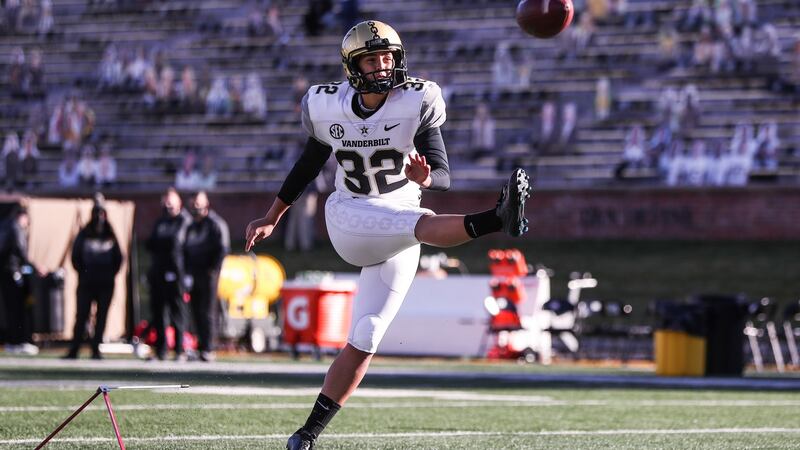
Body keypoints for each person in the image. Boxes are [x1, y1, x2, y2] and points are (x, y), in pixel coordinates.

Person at [242, 21, 531, 450]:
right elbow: (306, 167)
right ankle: (496, 219)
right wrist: (273, 215)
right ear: (352, 66)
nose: (382, 65)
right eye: (372, 58)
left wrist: (426, 176)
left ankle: (307, 434)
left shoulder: (416, 101)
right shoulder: (329, 107)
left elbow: (444, 175)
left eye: (387, 56)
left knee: (368, 335)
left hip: (399, 215)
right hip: (350, 217)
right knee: (419, 224)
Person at [64, 193, 123, 359]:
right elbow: (75, 256)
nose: (99, 217)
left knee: (101, 317)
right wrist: (84, 273)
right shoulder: (84, 234)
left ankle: (95, 349)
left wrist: (108, 274)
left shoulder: (110, 234)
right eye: (96, 212)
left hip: (105, 283)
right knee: (81, 315)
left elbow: (119, 259)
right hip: (87, 283)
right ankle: (75, 349)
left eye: (101, 213)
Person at [180, 191, 229, 362]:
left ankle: (209, 347)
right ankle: (200, 345)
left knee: (207, 311)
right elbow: (185, 249)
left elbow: (223, 249)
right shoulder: (191, 226)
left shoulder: (215, 224)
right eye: (193, 204)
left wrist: (213, 269)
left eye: (198, 204)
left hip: (209, 274)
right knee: (195, 310)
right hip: (193, 273)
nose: (195, 208)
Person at [146, 187, 190, 361]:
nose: (168, 206)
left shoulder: (184, 221)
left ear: (179, 202)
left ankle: (180, 350)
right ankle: (161, 350)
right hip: (159, 272)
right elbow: (151, 243)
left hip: (177, 273)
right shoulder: (161, 221)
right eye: (166, 202)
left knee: (177, 312)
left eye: (171, 202)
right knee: (159, 313)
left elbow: (176, 243)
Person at [0, 204, 41, 355]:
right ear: (22, 216)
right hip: (12, 272)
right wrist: (36, 267)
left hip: (6, 273)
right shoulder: (15, 228)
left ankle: (13, 341)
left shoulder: (5, 226)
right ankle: (18, 341)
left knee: (11, 309)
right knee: (17, 309)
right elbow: (21, 252)